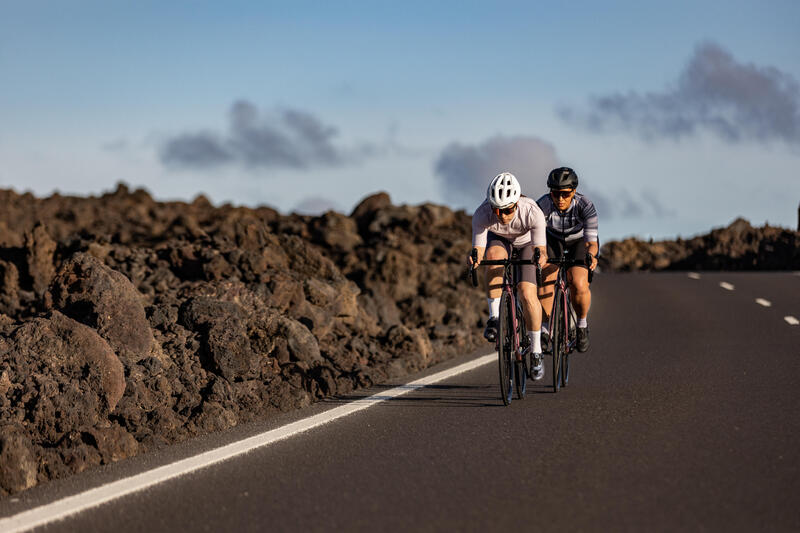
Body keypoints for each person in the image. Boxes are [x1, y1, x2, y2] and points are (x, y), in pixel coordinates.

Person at [468, 172, 548, 379]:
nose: (502, 215)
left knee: (527, 291)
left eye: (508, 210)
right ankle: (494, 318)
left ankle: (537, 351)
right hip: (500, 241)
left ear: (517, 203)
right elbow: (478, 247)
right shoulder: (482, 213)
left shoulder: (532, 212)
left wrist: (539, 259)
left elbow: (541, 250)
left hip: (527, 243)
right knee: (492, 256)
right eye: (497, 210)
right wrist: (475, 258)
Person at [536, 167, 599, 352]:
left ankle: (581, 325)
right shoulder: (543, 205)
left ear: (573, 191)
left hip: (579, 242)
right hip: (552, 240)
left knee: (579, 283)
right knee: (546, 279)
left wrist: (591, 256)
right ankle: (546, 329)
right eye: (556, 193)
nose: (560, 199)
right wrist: (541, 256)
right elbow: (538, 240)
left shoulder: (585, 205)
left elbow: (591, 243)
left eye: (565, 194)